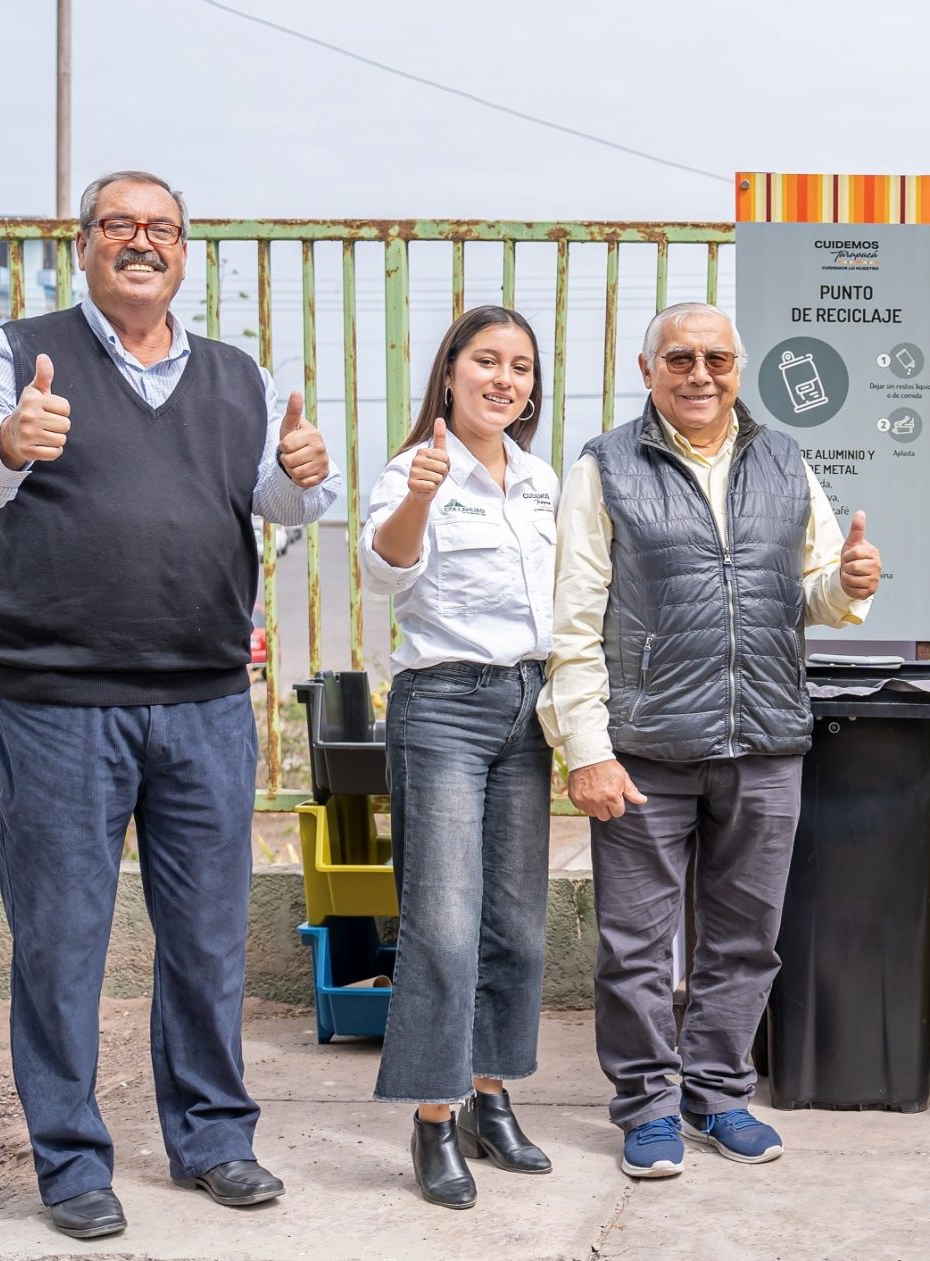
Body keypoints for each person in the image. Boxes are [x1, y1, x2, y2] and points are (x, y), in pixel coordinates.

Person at [0, 170, 338, 1241]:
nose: (140, 242)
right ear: (86, 244)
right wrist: (10, 442)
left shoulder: (239, 376)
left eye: (161, 228)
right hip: (57, 706)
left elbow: (285, 503)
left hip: (203, 702)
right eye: (120, 225)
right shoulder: (14, 355)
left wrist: (304, 471)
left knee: (206, 939)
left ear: (184, 252)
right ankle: (69, 1161)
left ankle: (214, 1138)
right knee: (61, 941)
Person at [538, 301, 883, 1180]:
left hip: (764, 738)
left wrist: (845, 585)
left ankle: (719, 1091)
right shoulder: (605, 466)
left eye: (718, 360)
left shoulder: (781, 459)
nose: (701, 375)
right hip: (646, 745)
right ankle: (647, 1105)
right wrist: (587, 748)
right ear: (647, 368)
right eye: (681, 358)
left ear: (740, 369)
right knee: (638, 942)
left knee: (745, 937)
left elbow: (801, 593)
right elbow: (574, 621)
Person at [359, 306, 558, 1209]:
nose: (503, 379)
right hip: (443, 707)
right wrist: (422, 496)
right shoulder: (414, 470)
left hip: (529, 708)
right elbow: (385, 570)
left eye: (519, 366)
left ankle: (491, 1095)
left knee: (516, 923)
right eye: (486, 360)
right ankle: (434, 1119)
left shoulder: (544, 481)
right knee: (443, 923)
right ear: (450, 372)